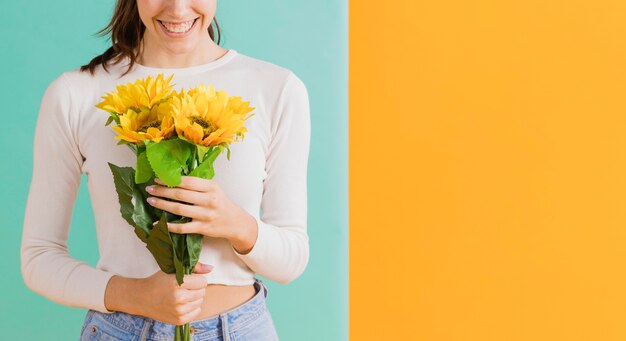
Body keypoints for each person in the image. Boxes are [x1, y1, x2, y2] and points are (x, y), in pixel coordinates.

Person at [20, 0, 310, 339]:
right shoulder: (76, 94)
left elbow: (292, 260)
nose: (177, 8)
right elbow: (38, 259)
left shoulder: (277, 89)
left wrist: (236, 224)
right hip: (122, 330)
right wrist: (133, 295)